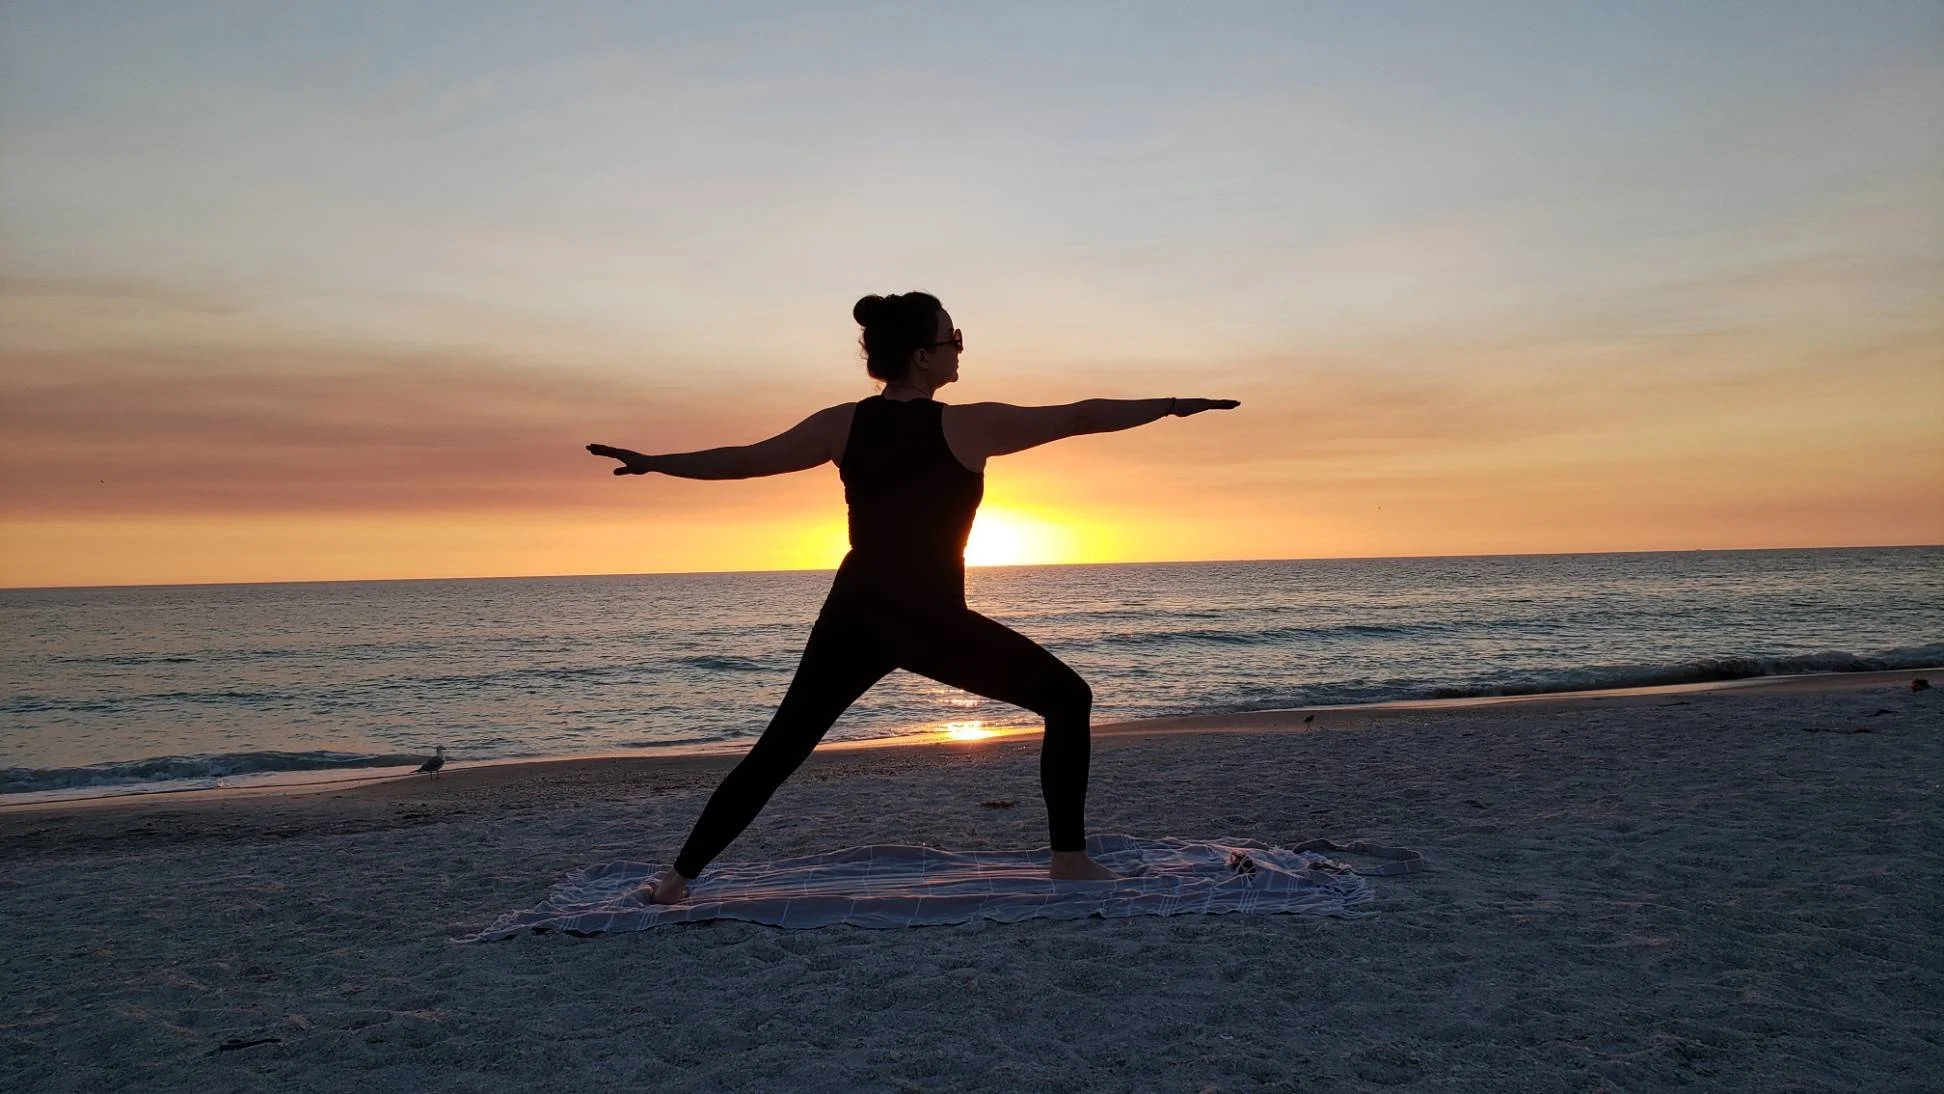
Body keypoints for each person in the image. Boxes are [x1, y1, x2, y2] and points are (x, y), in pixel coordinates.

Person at [587, 291, 1239, 903]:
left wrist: (656, 462)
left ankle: (675, 881)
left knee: (781, 748)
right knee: (1068, 698)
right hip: (927, 619)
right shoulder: (969, 426)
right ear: (923, 355)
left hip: (859, 609)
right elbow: (1077, 417)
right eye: (952, 337)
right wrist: (1172, 403)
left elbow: (748, 459)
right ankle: (1067, 858)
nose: (960, 347)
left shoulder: (843, 423)